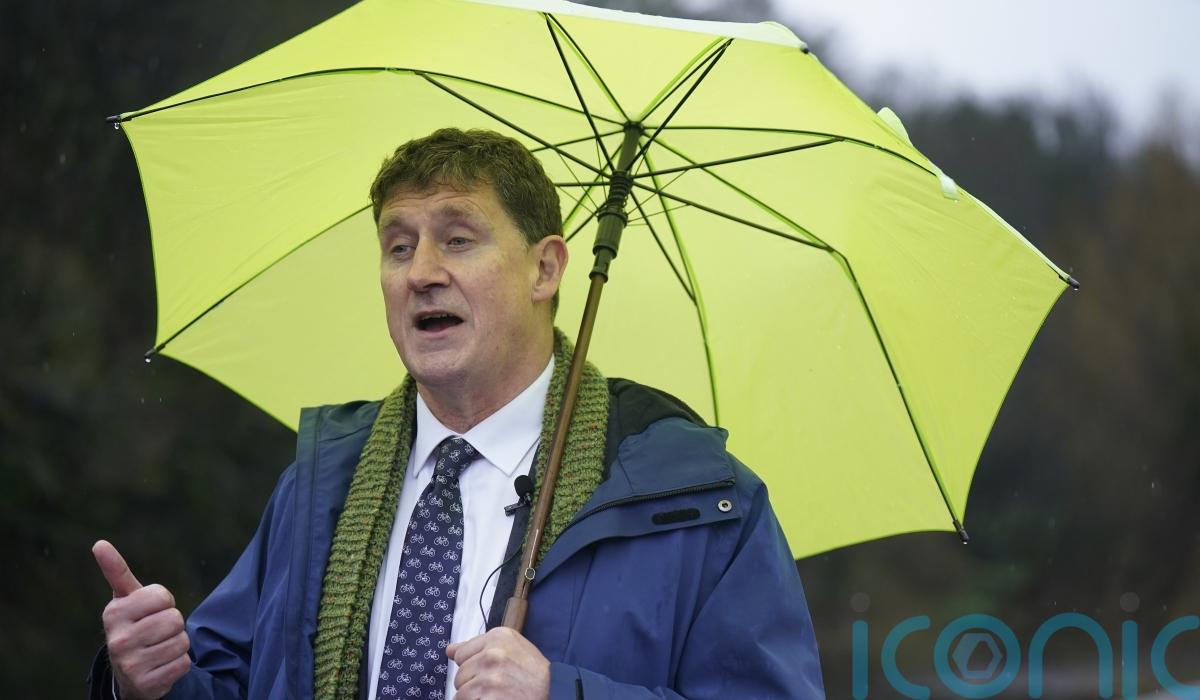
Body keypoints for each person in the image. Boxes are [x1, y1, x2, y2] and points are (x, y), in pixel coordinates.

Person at [90, 128, 825, 699]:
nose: (420, 273)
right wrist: (151, 683)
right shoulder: (321, 486)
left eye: (458, 240)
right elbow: (231, 683)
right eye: (397, 246)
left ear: (546, 268)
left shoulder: (697, 499)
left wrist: (560, 693)